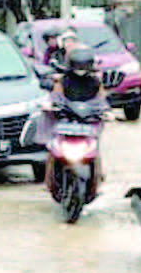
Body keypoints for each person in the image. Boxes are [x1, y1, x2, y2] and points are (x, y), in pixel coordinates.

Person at [45, 46, 108, 197]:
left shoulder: (95, 82)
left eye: (84, 66)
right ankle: (49, 178)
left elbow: (102, 99)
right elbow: (56, 95)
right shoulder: (63, 80)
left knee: (95, 149)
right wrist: (51, 105)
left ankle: (98, 176)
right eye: (77, 66)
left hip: (88, 123)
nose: (80, 70)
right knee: (53, 147)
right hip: (67, 121)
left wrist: (106, 111)